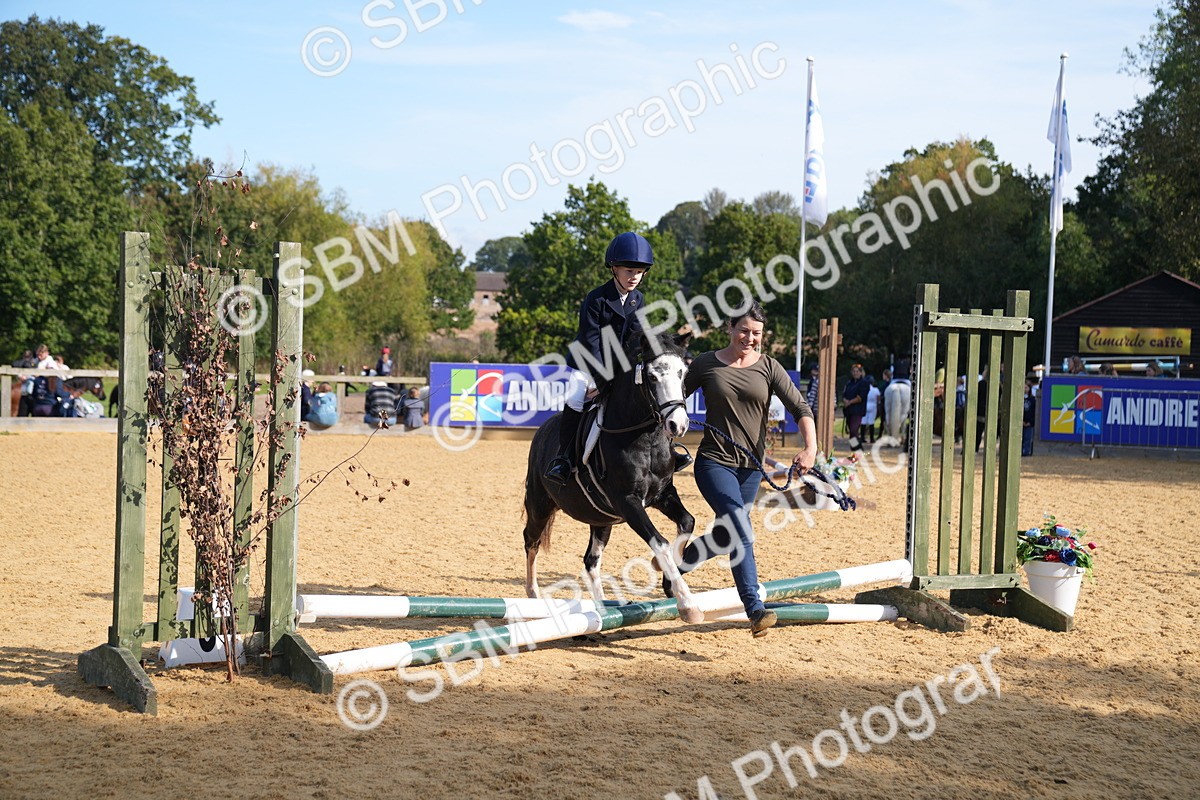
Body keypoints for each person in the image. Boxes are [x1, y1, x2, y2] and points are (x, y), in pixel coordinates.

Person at [679, 301, 817, 638]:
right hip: (713, 463)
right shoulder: (706, 363)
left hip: (751, 470)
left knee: (728, 535)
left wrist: (811, 447)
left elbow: (799, 406)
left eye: (756, 333)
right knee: (741, 531)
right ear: (729, 328)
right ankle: (754, 609)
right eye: (743, 330)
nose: (750, 338)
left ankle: (677, 564)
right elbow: (672, 395)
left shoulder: (769, 367)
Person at [545, 231, 690, 484]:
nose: (634, 277)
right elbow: (590, 342)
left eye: (639, 272)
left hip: (620, 364)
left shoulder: (638, 299)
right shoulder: (596, 299)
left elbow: (636, 336)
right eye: (628, 271)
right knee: (577, 397)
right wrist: (603, 380)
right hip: (587, 363)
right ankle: (564, 458)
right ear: (614, 269)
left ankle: (666, 453)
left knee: (648, 394)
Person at [842, 363, 870, 451]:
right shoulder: (849, 383)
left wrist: (849, 402)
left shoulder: (864, 383)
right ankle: (857, 449)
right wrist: (845, 400)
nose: (855, 373)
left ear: (861, 373)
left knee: (854, 430)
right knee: (852, 433)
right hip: (849, 411)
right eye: (854, 371)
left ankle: (857, 449)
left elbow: (860, 398)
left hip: (858, 410)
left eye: (857, 371)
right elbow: (844, 394)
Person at [883, 358, 911, 444]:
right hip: (906, 382)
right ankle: (902, 436)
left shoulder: (894, 365)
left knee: (888, 413)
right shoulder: (909, 364)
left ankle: (890, 436)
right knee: (904, 414)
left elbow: (891, 374)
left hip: (894, 382)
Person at [1021, 377, 1037, 457]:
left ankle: (1026, 452)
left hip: (1029, 423)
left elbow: (1033, 412)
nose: (1025, 389)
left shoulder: (1032, 399)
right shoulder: (1020, 399)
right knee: (1021, 438)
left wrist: (1030, 422)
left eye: (1026, 387)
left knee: (1028, 438)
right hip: (1021, 422)